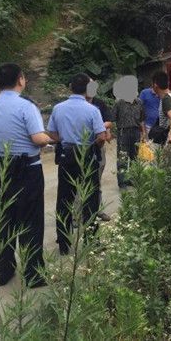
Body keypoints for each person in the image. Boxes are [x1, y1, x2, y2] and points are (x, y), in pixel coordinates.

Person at [0, 64, 51, 288]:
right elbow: (38, 138)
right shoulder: (26, 106)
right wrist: (51, 138)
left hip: (2, 170)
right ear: (21, 79)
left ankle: (3, 271)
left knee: (5, 219)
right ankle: (33, 274)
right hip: (27, 169)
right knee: (30, 221)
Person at [47, 73, 106, 255]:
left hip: (66, 155)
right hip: (86, 155)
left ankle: (64, 243)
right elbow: (101, 137)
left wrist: (65, 139)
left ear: (70, 87)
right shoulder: (92, 110)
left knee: (64, 199)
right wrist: (92, 145)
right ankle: (90, 241)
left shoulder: (58, 108)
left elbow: (52, 134)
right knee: (90, 200)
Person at [108, 76, 146, 189]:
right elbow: (111, 119)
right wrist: (109, 132)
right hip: (123, 132)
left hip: (136, 132)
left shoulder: (139, 103)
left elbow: (142, 119)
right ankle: (122, 182)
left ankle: (133, 179)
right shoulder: (119, 103)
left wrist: (144, 133)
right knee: (123, 157)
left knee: (135, 157)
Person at [85, 81, 112, 222]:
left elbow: (109, 121)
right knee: (81, 180)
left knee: (97, 179)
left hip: (98, 145)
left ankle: (97, 210)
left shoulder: (99, 103)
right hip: (82, 146)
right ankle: (79, 213)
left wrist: (99, 126)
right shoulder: (79, 104)